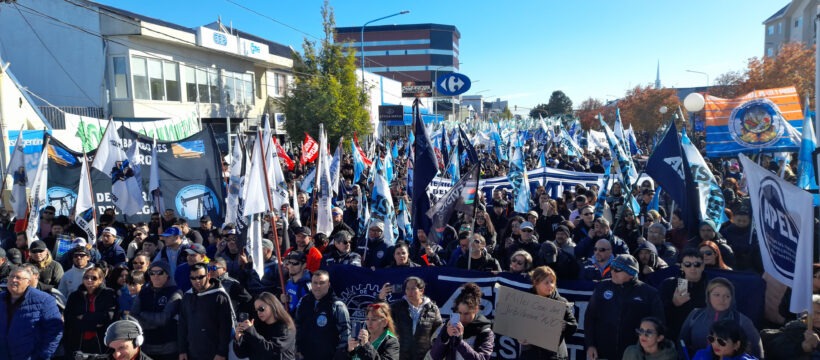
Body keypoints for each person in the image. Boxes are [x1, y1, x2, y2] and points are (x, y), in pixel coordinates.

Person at [584, 254, 665, 360]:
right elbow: (590, 318)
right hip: (602, 351)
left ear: (631, 273)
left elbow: (659, 324)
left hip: (635, 353)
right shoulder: (602, 287)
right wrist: (590, 345)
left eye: (617, 269)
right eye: (611, 268)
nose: (612, 272)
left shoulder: (649, 293)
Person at [679, 277, 762, 358]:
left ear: (732, 298)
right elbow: (681, 342)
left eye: (727, 296)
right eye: (717, 295)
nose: (722, 299)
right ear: (708, 296)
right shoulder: (695, 315)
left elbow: (757, 350)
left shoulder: (742, 321)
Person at [0, 266, 63, 359]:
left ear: (28, 282)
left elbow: (54, 331)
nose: (13, 280)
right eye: (11, 276)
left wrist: (43, 356)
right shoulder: (1, 298)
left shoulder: (44, 300)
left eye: (18, 278)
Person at [376, 277, 442, 360]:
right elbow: (380, 315)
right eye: (407, 289)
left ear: (421, 291)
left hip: (423, 357)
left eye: (413, 288)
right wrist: (381, 298)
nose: (409, 292)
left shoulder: (432, 309)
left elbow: (438, 334)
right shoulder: (397, 307)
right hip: (400, 355)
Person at [178, 262, 234, 360]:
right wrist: (182, 350)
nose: (197, 281)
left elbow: (226, 327)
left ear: (208, 276)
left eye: (200, 277)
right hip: (192, 353)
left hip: (214, 354)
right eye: (193, 278)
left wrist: (221, 352)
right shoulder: (187, 296)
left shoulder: (219, 296)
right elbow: (182, 325)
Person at [520, 266, 578, 360]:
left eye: (552, 282)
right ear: (536, 283)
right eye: (546, 282)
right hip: (530, 354)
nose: (550, 285)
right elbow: (518, 324)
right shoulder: (525, 300)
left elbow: (574, 325)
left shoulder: (561, 302)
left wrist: (565, 325)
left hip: (555, 355)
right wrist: (520, 337)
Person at [295, 270, 351, 360]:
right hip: (304, 356)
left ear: (328, 284)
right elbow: (297, 326)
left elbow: (346, 333)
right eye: (315, 283)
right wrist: (296, 349)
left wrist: (339, 355)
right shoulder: (303, 302)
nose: (318, 286)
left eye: (322, 283)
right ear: (311, 284)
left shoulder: (337, 305)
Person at [131, 260, 182, 360]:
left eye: (160, 272)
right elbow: (133, 317)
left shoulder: (175, 292)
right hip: (146, 346)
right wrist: (149, 321)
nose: (155, 276)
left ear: (167, 275)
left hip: (168, 347)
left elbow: (163, 319)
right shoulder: (143, 292)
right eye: (152, 273)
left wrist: (142, 314)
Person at [430, 283, 494, 360]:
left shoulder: (485, 331)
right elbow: (435, 356)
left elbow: (482, 358)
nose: (462, 318)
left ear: (476, 310)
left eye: (466, 314)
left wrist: (460, 343)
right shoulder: (449, 325)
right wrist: (445, 337)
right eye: (459, 313)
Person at [64, 266, 119, 355]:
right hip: (79, 339)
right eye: (86, 277)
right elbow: (70, 318)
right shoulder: (74, 296)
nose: (89, 280)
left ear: (100, 280)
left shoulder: (109, 294)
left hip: (101, 339)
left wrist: (84, 316)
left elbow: (108, 316)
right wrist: (94, 323)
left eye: (93, 278)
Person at [659, 249, 709, 340]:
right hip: (675, 335)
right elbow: (658, 315)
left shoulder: (711, 287)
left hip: (702, 336)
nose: (692, 268)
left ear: (703, 266)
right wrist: (674, 304)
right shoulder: (669, 284)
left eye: (697, 264)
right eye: (687, 264)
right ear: (682, 266)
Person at [233, 292, 297, 360]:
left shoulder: (286, 327)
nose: (259, 312)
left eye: (261, 309)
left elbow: (272, 350)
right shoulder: (257, 326)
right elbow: (242, 353)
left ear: (272, 306)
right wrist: (238, 338)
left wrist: (251, 332)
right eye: (256, 310)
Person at [762, 294, 820, 359]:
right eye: (810, 313)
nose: (814, 317)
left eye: (818, 313)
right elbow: (776, 349)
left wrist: (817, 345)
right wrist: (801, 348)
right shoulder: (795, 329)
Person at [692, 320, 757, 360]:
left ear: (736, 345)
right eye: (712, 339)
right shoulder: (702, 356)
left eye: (721, 341)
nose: (715, 344)